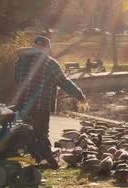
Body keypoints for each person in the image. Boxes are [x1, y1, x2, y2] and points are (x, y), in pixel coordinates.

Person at [14, 36, 87, 169]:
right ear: (47, 48)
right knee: (41, 133)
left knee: (29, 132)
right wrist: (80, 95)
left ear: (33, 46)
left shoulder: (20, 61)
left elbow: (16, 80)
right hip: (41, 104)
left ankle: (39, 158)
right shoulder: (49, 63)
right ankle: (50, 162)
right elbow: (64, 82)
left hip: (23, 103)